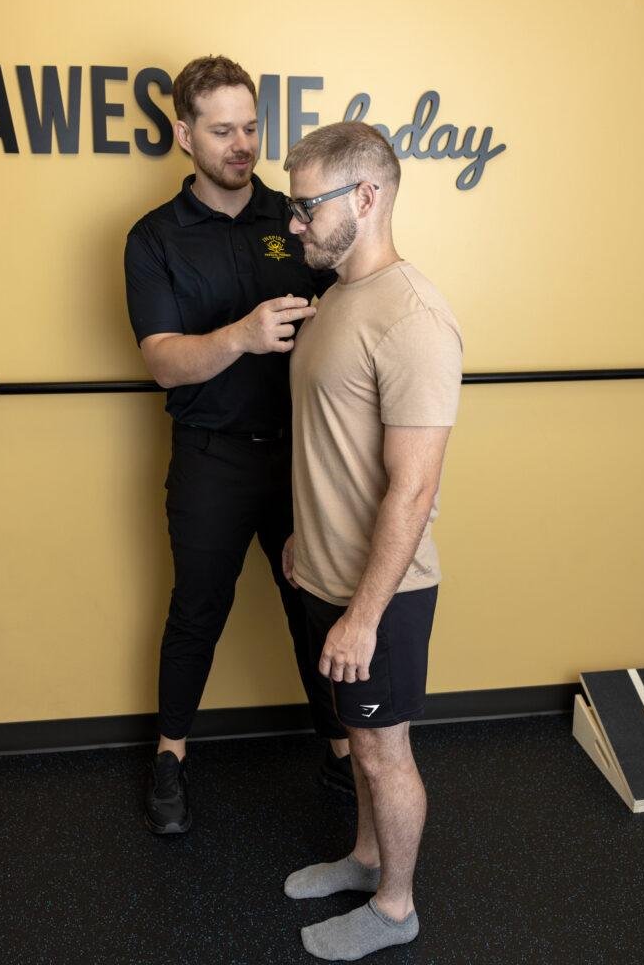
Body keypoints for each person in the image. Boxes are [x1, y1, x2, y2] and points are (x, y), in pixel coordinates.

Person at [124, 55, 353, 836]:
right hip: (211, 456)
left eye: (251, 127)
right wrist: (244, 335)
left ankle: (343, 752)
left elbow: (352, 302)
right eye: (221, 130)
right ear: (184, 134)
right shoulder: (153, 238)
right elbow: (161, 360)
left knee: (315, 608)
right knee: (197, 609)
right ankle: (170, 757)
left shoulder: (295, 215)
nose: (241, 144)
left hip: (301, 458)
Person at [280, 121, 463, 960]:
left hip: (378, 597)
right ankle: (363, 858)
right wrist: (304, 546)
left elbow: (414, 485)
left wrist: (361, 615)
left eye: (304, 206)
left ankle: (395, 907)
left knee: (385, 753)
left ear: (365, 197)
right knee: (358, 741)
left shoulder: (413, 317)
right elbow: (332, 445)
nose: (292, 224)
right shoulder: (340, 301)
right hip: (323, 574)